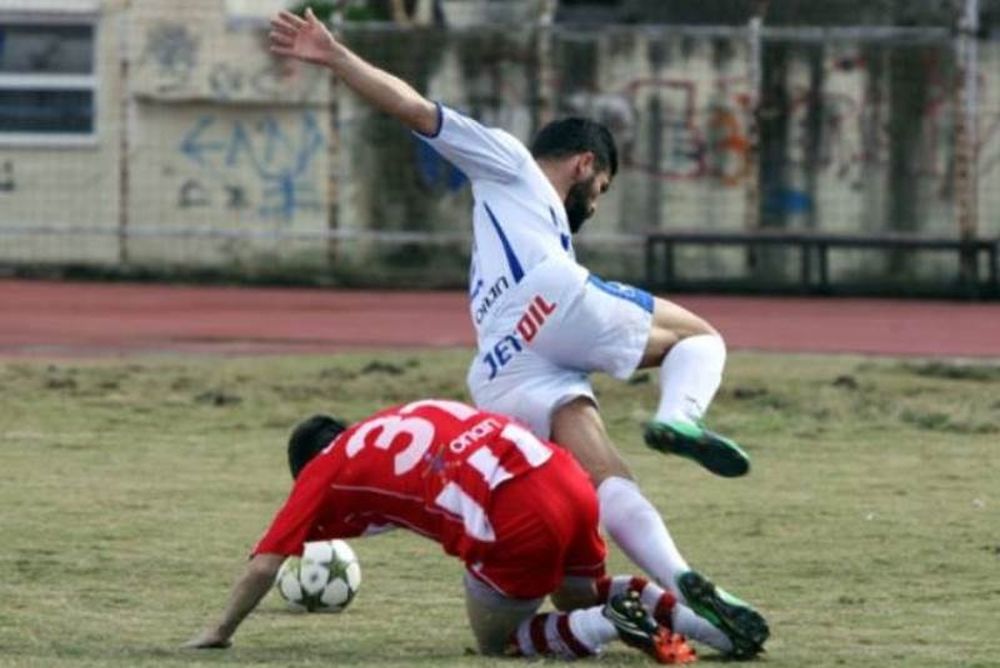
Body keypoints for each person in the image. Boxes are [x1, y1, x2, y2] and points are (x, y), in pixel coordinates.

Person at [267, 8, 768, 656]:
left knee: (604, 479)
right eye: (601, 188)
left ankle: (689, 594)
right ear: (585, 162)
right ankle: (680, 418)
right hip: (550, 298)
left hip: (501, 364)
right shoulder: (510, 160)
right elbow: (417, 110)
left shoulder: (512, 219)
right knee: (702, 339)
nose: (595, 203)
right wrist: (336, 57)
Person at [184, 399, 755, 661]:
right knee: (573, 591)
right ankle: (706, 629)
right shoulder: (403, 414)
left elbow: (264, 565)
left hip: (514, 515)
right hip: (567, 477)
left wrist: (218, 630)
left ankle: (603, 626)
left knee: (498, 641)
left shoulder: (324, 471)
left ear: (307, 465)